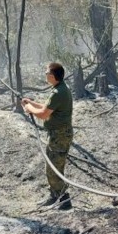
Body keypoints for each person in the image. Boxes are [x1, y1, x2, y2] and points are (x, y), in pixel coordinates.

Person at [21, 62, 74, 210]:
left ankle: (63, 201)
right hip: (59, 135)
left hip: (60, 136)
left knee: (53, 168)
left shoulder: (59, 92)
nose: (45, 75)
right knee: (54, 166)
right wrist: (31, 103)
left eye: (46, 73)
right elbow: (46, 108)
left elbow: (44, 114)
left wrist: (28, 108)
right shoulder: (59, 89)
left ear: (52, 76)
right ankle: (55, 196)